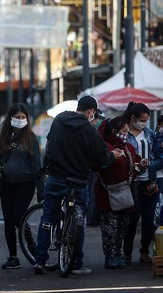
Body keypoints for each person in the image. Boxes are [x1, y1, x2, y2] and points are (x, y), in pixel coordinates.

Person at [33, 95, 123, 275]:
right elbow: (102, 157)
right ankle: (76, 264)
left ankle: (39, 260)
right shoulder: (88, 130)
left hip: (55, 177)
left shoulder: (59, 120)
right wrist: (114, 155)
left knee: (48, 219)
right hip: (78, 182)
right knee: (77, 220)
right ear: (91, 112)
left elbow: (50, 142)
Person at [0, 104, 44, 270]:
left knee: (18, 216)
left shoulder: (31, 138)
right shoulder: (4, 138)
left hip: (25, 184)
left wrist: (41, 190)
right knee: (8, 220)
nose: (20, 120)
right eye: (17, 117)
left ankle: (32, 247)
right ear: (10, 119)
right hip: (7, 185)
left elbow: (37, 166)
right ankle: (13, 257)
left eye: (23, 117)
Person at [93, 116, 141, 269]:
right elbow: (97, 164)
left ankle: (118, 254)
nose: (126, 134)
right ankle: (110, 257)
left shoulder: (127, 147)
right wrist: (112, 157)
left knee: (123, 226)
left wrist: (142, 165)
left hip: (125, 193)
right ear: (114, 131)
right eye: (124, 131)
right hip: (108, 194)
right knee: (110, 228)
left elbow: (135, 162)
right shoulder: (104, 147)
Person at [121, 102, 157, 265]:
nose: (144, 123)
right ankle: (126, 252)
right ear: (133, 118)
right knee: (132, 219)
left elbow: (156, 153)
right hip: (132, 182)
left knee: (149, 219)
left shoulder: (149, 133)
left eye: (146, 120)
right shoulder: (124, 134)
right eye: (142, 120)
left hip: (149, 181)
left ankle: (144, 252)